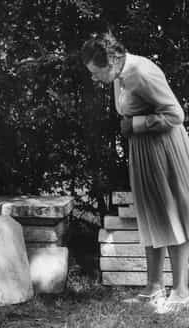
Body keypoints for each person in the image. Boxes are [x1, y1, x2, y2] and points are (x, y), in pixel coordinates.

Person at [81, 32, 189, 314]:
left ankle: (180, 291)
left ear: (112, 61)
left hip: (164, 150)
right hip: (143, 150)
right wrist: (133, 127)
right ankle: (154, 287)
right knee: (151, 214)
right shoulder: (119, 73)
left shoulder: (142, 72)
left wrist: (138, 124)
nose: (94, 79)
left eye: (96, 72)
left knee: (170, 214)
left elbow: (176, 114)